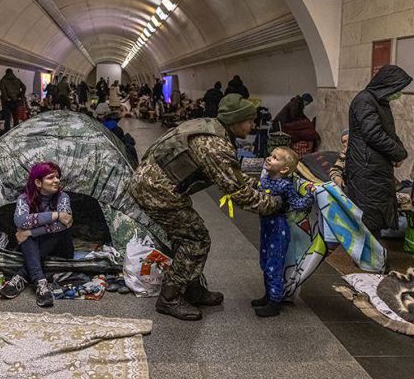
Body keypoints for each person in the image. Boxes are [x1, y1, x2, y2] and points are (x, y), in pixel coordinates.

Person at [128, 93, 283, 321]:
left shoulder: (211, 127)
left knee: (187, 236)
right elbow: (238, 193)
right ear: (236, 121)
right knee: (196, 238)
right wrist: (275, 204)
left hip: (153, 183)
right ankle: (169, 298)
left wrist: (263, 186)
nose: (253, 126)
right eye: (249, 121)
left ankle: (191, 288)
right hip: (156, 190)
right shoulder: (215, 145)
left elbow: (234, 177)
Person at [345, 65, 412, 234]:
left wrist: (400, 152)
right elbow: (373, 134)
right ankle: (366, 259)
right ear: (388, 85)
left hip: (375, 167)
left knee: (376, 216)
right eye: (398, 88)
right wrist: (398, 153)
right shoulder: (365, 100)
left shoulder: (379, 101)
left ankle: (373, 256)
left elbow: (388, 132)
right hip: (366, 170)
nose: (399, 93)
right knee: (369, 218)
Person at [0, 162, 73, 307]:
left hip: (60, 247)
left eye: (57, 177)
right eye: (51, 178)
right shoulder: (24, 198)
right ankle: (40, 282)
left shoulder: (62, 197)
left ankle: (21, 276)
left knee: (36, 234)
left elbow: (64, 224)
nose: (56, 180)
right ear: (38, 182)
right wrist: (55, 215)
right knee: (24, 236)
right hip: (34, 246)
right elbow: (20, 221)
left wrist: (30, 231)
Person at [253, 147, 315, 317]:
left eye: (275, 157)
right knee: (265, 262)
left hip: (278, 229)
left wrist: (310, 196)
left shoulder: (285, 185)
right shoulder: (266, 179)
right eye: (270, 154)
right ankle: (268, 294)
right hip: (266, 227)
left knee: (274, 265)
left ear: (284, 169)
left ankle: (275, 301)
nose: (269, 158)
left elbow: (297, 203)